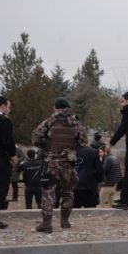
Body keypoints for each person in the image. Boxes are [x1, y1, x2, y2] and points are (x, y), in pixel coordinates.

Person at [31, 97, 87, 233]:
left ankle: (47, 223)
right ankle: (65, 221)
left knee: (48, 192)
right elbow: (83, 141)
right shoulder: (76, 122)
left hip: (52, 162)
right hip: (68, 162)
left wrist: (46, 146)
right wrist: (71, 149)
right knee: (68, 192)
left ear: (56, 107)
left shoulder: (50, 121)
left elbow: (35, 138)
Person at [0, 96, 17, 228]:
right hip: (1, 160)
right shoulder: (4, 121)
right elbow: (8, 141)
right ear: (2, 106)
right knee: (1, 188)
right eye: (9, 107)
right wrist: (12, 155)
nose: (9, 110)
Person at [74, 144, 103, 208]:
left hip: (74, 187)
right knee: (90, 211)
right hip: (89, 186)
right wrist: (98, 180)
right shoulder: (93, 152)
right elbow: (99, 170)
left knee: (73, 212)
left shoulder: (71, 152)